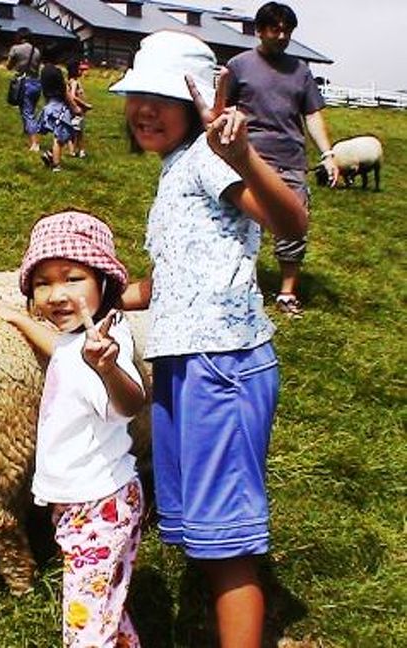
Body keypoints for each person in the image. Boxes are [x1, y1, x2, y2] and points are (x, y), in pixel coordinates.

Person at [109, 31, 307, 648]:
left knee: (228, 545)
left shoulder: (207, 159)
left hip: (221, 362)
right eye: (138, 94)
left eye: (162, 97)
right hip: (184, 360)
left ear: (199, 106)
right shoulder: (176, 171)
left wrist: (245, 156)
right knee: (203, 526)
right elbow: (173, 277)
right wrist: (106, 294)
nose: (144, 108)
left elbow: (290, 221)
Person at [1, 210, 146, 647]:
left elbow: (130, 403)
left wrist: (107, 370)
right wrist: (26, 324)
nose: (56, 294)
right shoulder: (78, 341)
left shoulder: (104, 349)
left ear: (104, 281)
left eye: (72, 278)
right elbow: (65, 354)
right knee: (103, 610)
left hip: (99, 506)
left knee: (84, 627)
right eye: (43, 282)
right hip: (84, 502)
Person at [226, 2, 338, 318]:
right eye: (275, 28)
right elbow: (222, 108)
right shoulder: (239, 66)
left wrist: (328, 154)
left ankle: (287, 293)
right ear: (260, 30)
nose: (282, 35)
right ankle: (237, 286)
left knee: (293, 225)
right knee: (238, 224)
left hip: (290, 160)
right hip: (247, 158)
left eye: (287, 29)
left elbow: (313, 114)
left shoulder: (301, 71)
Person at [38, 45, 76, 172]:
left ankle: (50, 155)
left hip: (49, 104)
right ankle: (56, 165)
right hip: (59, 105)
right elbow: (64, 92)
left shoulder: (43, 71)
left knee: (64, 134)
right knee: (60, 136)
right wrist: (74, 107)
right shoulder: (56, 71)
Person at [6, 27, 42, 152]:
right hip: (36, 83)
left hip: (24, 83)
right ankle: (27, 134)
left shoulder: (16, 49)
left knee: (27, 113)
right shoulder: (36, 50)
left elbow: (8, 66)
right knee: (29, 110)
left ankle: (35, 143)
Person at [66, 59, 93, 158]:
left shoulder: (71, 81)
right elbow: (73, 96)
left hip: (75, 111)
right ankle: (76, 151)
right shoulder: (74, 82)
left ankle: (77, 150)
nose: (82, 71)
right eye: (79, 69)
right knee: (77, 132)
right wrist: (85, 105)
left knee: (77, 131)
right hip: (77, 110)